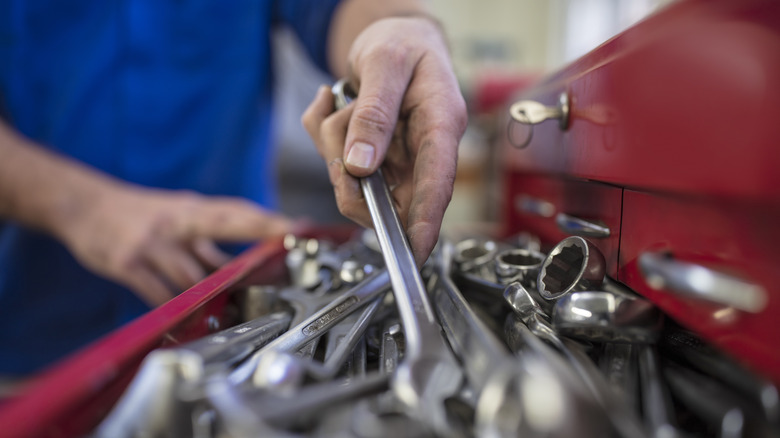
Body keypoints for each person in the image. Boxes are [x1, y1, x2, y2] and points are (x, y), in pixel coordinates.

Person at [0, 0, 466, 376]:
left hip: (238, 309)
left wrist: (396, 32)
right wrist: (80, 206)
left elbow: (342, 8)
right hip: (33, 340)